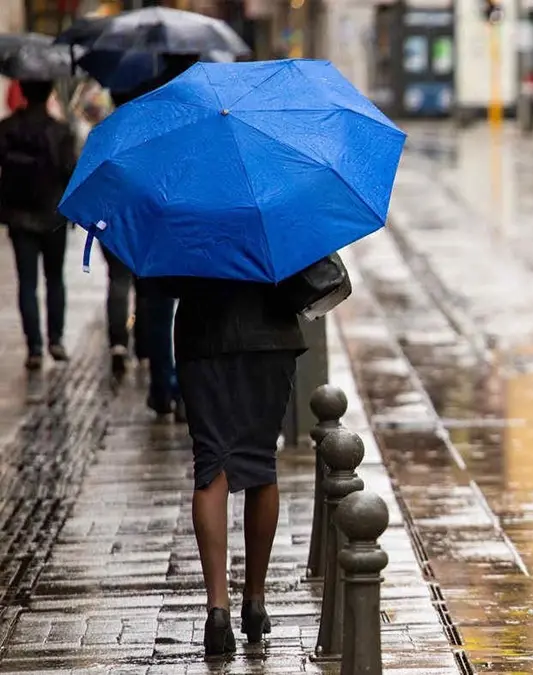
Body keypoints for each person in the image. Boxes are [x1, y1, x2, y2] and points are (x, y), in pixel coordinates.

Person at [151, 277, 305, 656]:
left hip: (204, 338)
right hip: (270, 334)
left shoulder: (184, 214)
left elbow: (160, 282)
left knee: (210, 465)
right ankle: (254, 600)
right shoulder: (273, 214)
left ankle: (218, 609)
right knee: (261, 463)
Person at [109, 54, 200, 414]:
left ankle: (164, 387)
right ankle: (185, 391)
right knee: (192, 313)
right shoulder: (198, 116)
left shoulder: (142, 117)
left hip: (153, 231)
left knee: (159, 312)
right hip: (190, 230)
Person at [0, 80, 77, 370]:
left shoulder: (7, 128)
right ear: (48, 95)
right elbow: (71, 172)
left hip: (20, 218)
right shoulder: (61, 131)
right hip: (53, 216)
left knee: (27, 283)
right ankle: (55, 340)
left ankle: (33, 347)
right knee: (55, 279)